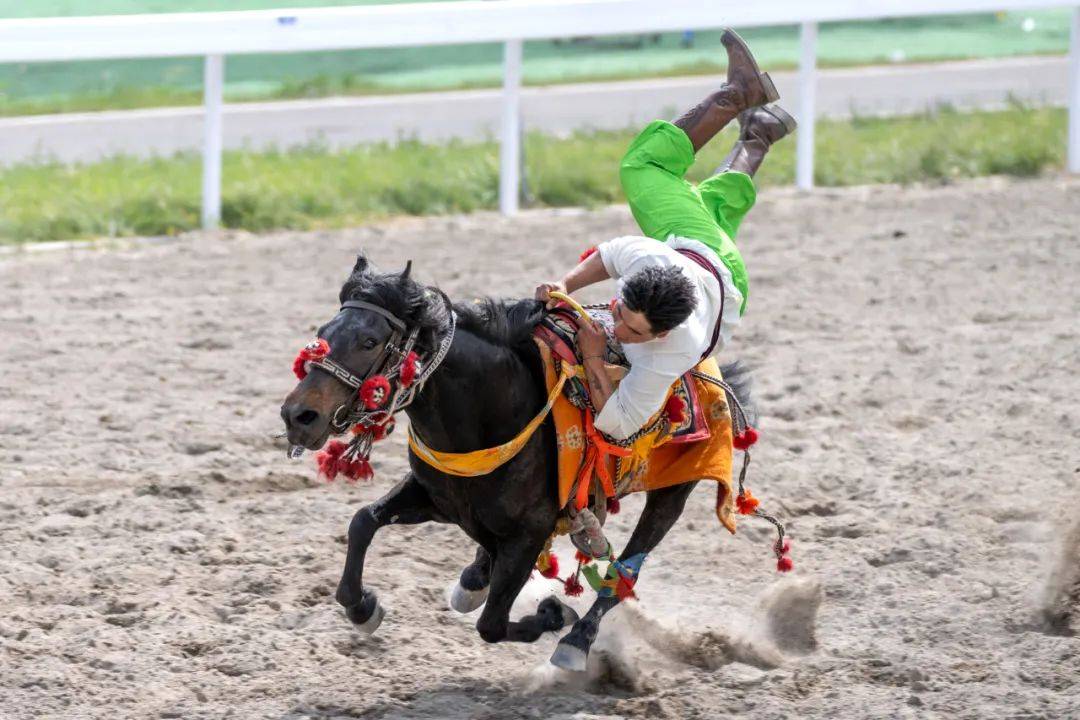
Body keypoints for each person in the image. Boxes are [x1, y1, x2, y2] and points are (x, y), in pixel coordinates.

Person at [535, 28, 795, 442]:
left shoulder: (672, 350)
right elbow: (610, 254)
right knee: (685, 196)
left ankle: (741, 99)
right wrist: (565, 284)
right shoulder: (648, 262)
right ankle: (757, 129)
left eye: (634, 333)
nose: (616, 329)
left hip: (718, 278)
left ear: (662, 335)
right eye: (619, 313)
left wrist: (594, 356)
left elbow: (619, 424)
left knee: (646, 168)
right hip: (711, 263)